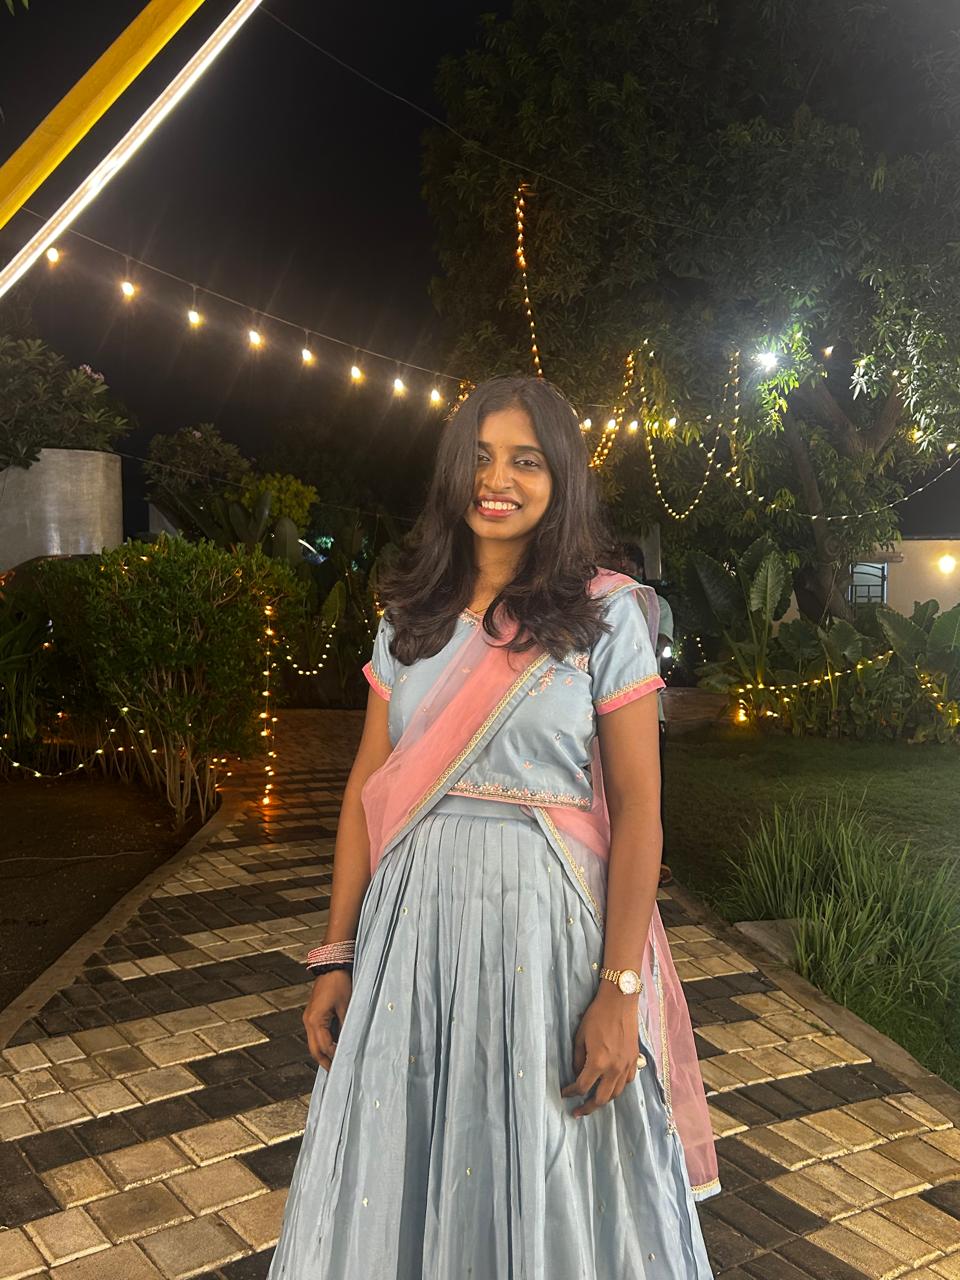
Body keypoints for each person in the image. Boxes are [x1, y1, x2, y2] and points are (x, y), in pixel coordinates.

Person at [269, 375, 718, 1280]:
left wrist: (620, 989)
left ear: (562, 479)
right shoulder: (411, 618)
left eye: (525, 460)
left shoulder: (603, 615)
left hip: (545, 939)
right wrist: (335, 954)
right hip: (411, 935)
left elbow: (640, 813)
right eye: (479, 458)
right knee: (405, 1149)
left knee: (546, 1149)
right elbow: (366, 789)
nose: (496, 480)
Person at [616, 545, 675, 887]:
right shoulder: (597, 600)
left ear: (640, 568)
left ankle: (657, 862)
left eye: (627, 562)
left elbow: (661, 644)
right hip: (602, 715)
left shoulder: (655, 605)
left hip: (648, 712)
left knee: (647, 793)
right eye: (615, 561)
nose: (620, 566)